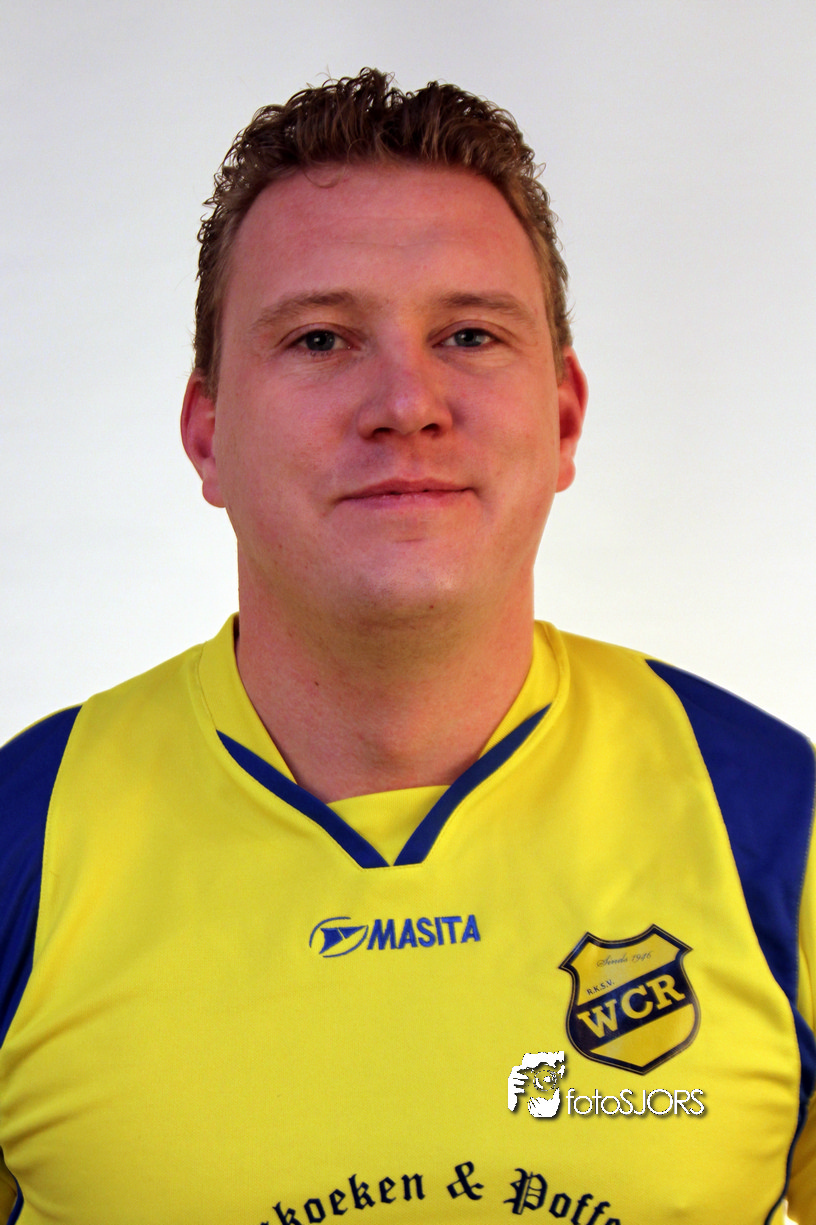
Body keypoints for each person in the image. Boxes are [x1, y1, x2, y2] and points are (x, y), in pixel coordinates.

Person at [0, 69, 813, 1225]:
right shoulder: (22, 839)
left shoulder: (777, 821)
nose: (407, 402)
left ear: (564, 417)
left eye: (470, 334)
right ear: (208, 433)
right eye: (321, 338)